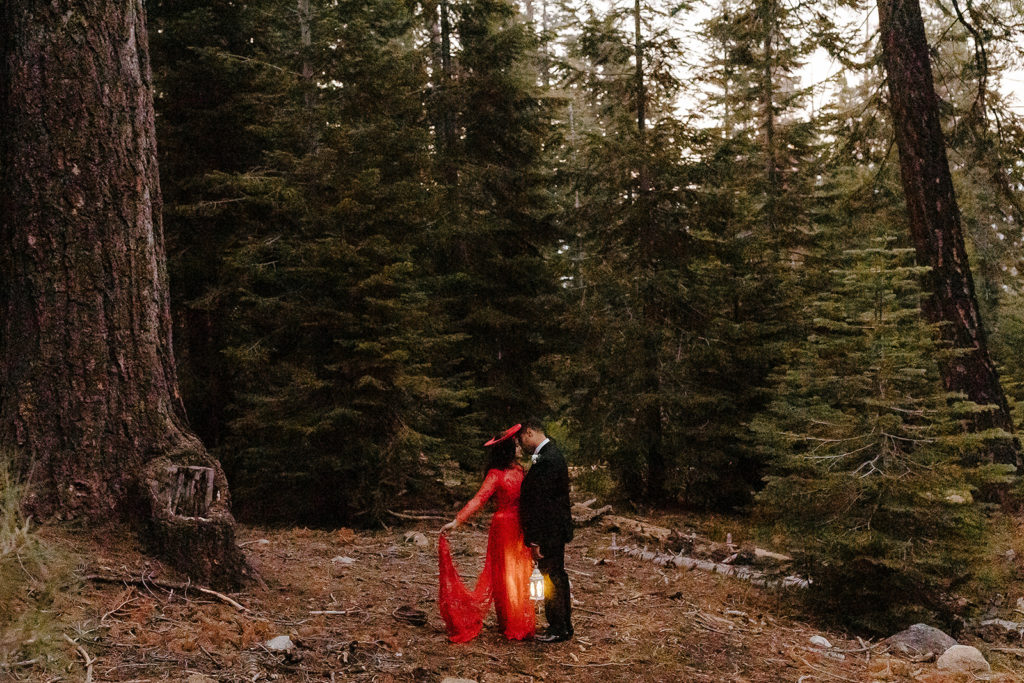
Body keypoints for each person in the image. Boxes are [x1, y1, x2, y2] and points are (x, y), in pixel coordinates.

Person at [437, 424, 536, 642]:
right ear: (508, 449)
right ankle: (510, 621)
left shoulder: (520, 470)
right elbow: (479, 499)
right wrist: (458, 520)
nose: (520, 448)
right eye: (516, 445)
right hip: (504, 528)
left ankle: (516, 617)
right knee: (506, 573)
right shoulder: (496, 473)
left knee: (521, 572)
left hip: (521, 526)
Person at [517, 418, 573, 643]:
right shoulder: (548, 453)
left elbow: (543, 503)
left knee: (552, 578)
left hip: (550, 530)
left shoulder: (548, 459)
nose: (521, 444)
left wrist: (536, 538)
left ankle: (558, 627)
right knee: (556, 575)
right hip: (553, 528)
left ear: (529, 432)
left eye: (521, 438)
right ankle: (563, 625)